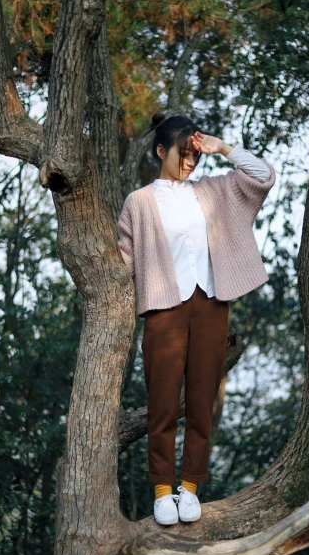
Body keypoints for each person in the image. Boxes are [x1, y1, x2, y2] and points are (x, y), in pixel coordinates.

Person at [117, 113, 276, 526]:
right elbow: (123, 263)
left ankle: (190, 487)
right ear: (159, 152)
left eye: (194, 155)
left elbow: (264, 176)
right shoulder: (139, 202)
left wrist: (221, 148)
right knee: (163, 403)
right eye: (182, 154)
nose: (190, 162)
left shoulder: (213, 190)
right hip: (163, 307)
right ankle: (161, 490)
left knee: (203, 399)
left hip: (210, 303)